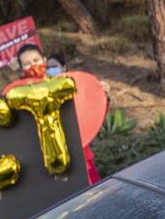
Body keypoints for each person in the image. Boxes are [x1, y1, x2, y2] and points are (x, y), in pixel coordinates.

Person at [14, 43, 106, 184]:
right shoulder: (20, 97)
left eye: (36, 60)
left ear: (44, 60)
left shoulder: (65, 84)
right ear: (21, 70)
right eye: (27, 64)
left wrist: (101, 95)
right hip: (49, 160)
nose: (33, 65)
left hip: (79, 151)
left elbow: (87, 112)